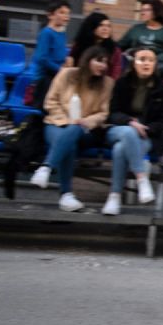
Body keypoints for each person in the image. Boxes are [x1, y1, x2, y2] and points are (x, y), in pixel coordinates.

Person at [30, 46, 114, 211]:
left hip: (86, 129)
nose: (102, 66)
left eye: (105, 63)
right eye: (98, 60)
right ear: (87, 60)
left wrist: (86, 121)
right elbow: (50, 102)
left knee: (75, 129)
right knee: (70, 143)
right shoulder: (66, 74)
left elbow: (103, 113)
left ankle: (46, 167)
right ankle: (66, 196)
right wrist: (66, 120)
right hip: (56, 123)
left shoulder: (107, 84)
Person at [101, 49, 163, 216]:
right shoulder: (122, 83)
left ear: (155, 64)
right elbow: (113, 113)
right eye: (142, 59)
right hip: (118, 129)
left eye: (151, 60)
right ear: (133, 63)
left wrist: (147, 128)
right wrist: (130, 122)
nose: (146, 63)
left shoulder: (162, 88)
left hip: (146, 134)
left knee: (120, 150)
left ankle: (114, 197)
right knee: (128, 133)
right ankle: (141, 178)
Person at [118, 0, 163, 124]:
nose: (142, 13)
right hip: (136, 68)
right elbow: (120, 45)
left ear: (157, 12)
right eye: (141, 10)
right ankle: (123, 118)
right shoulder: (136, 29)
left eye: (146, 10)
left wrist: (154, 59)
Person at [27, 0, 70, 108]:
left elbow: (58, 53)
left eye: (67, 13)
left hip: (56, 76)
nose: (66, 16)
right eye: (61, 12)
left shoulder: (62, 32)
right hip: (45, 80)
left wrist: (66, 59)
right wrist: (60, 69)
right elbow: (42, 58)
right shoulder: (46, 33)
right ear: (50, 15)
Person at [67, 11, 123, 79]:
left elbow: (115, 72)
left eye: (108, 26)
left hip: (103, 84)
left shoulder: (114, 49)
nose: (105, 29)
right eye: (101, 25)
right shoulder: (80, 45)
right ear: (92, 27)